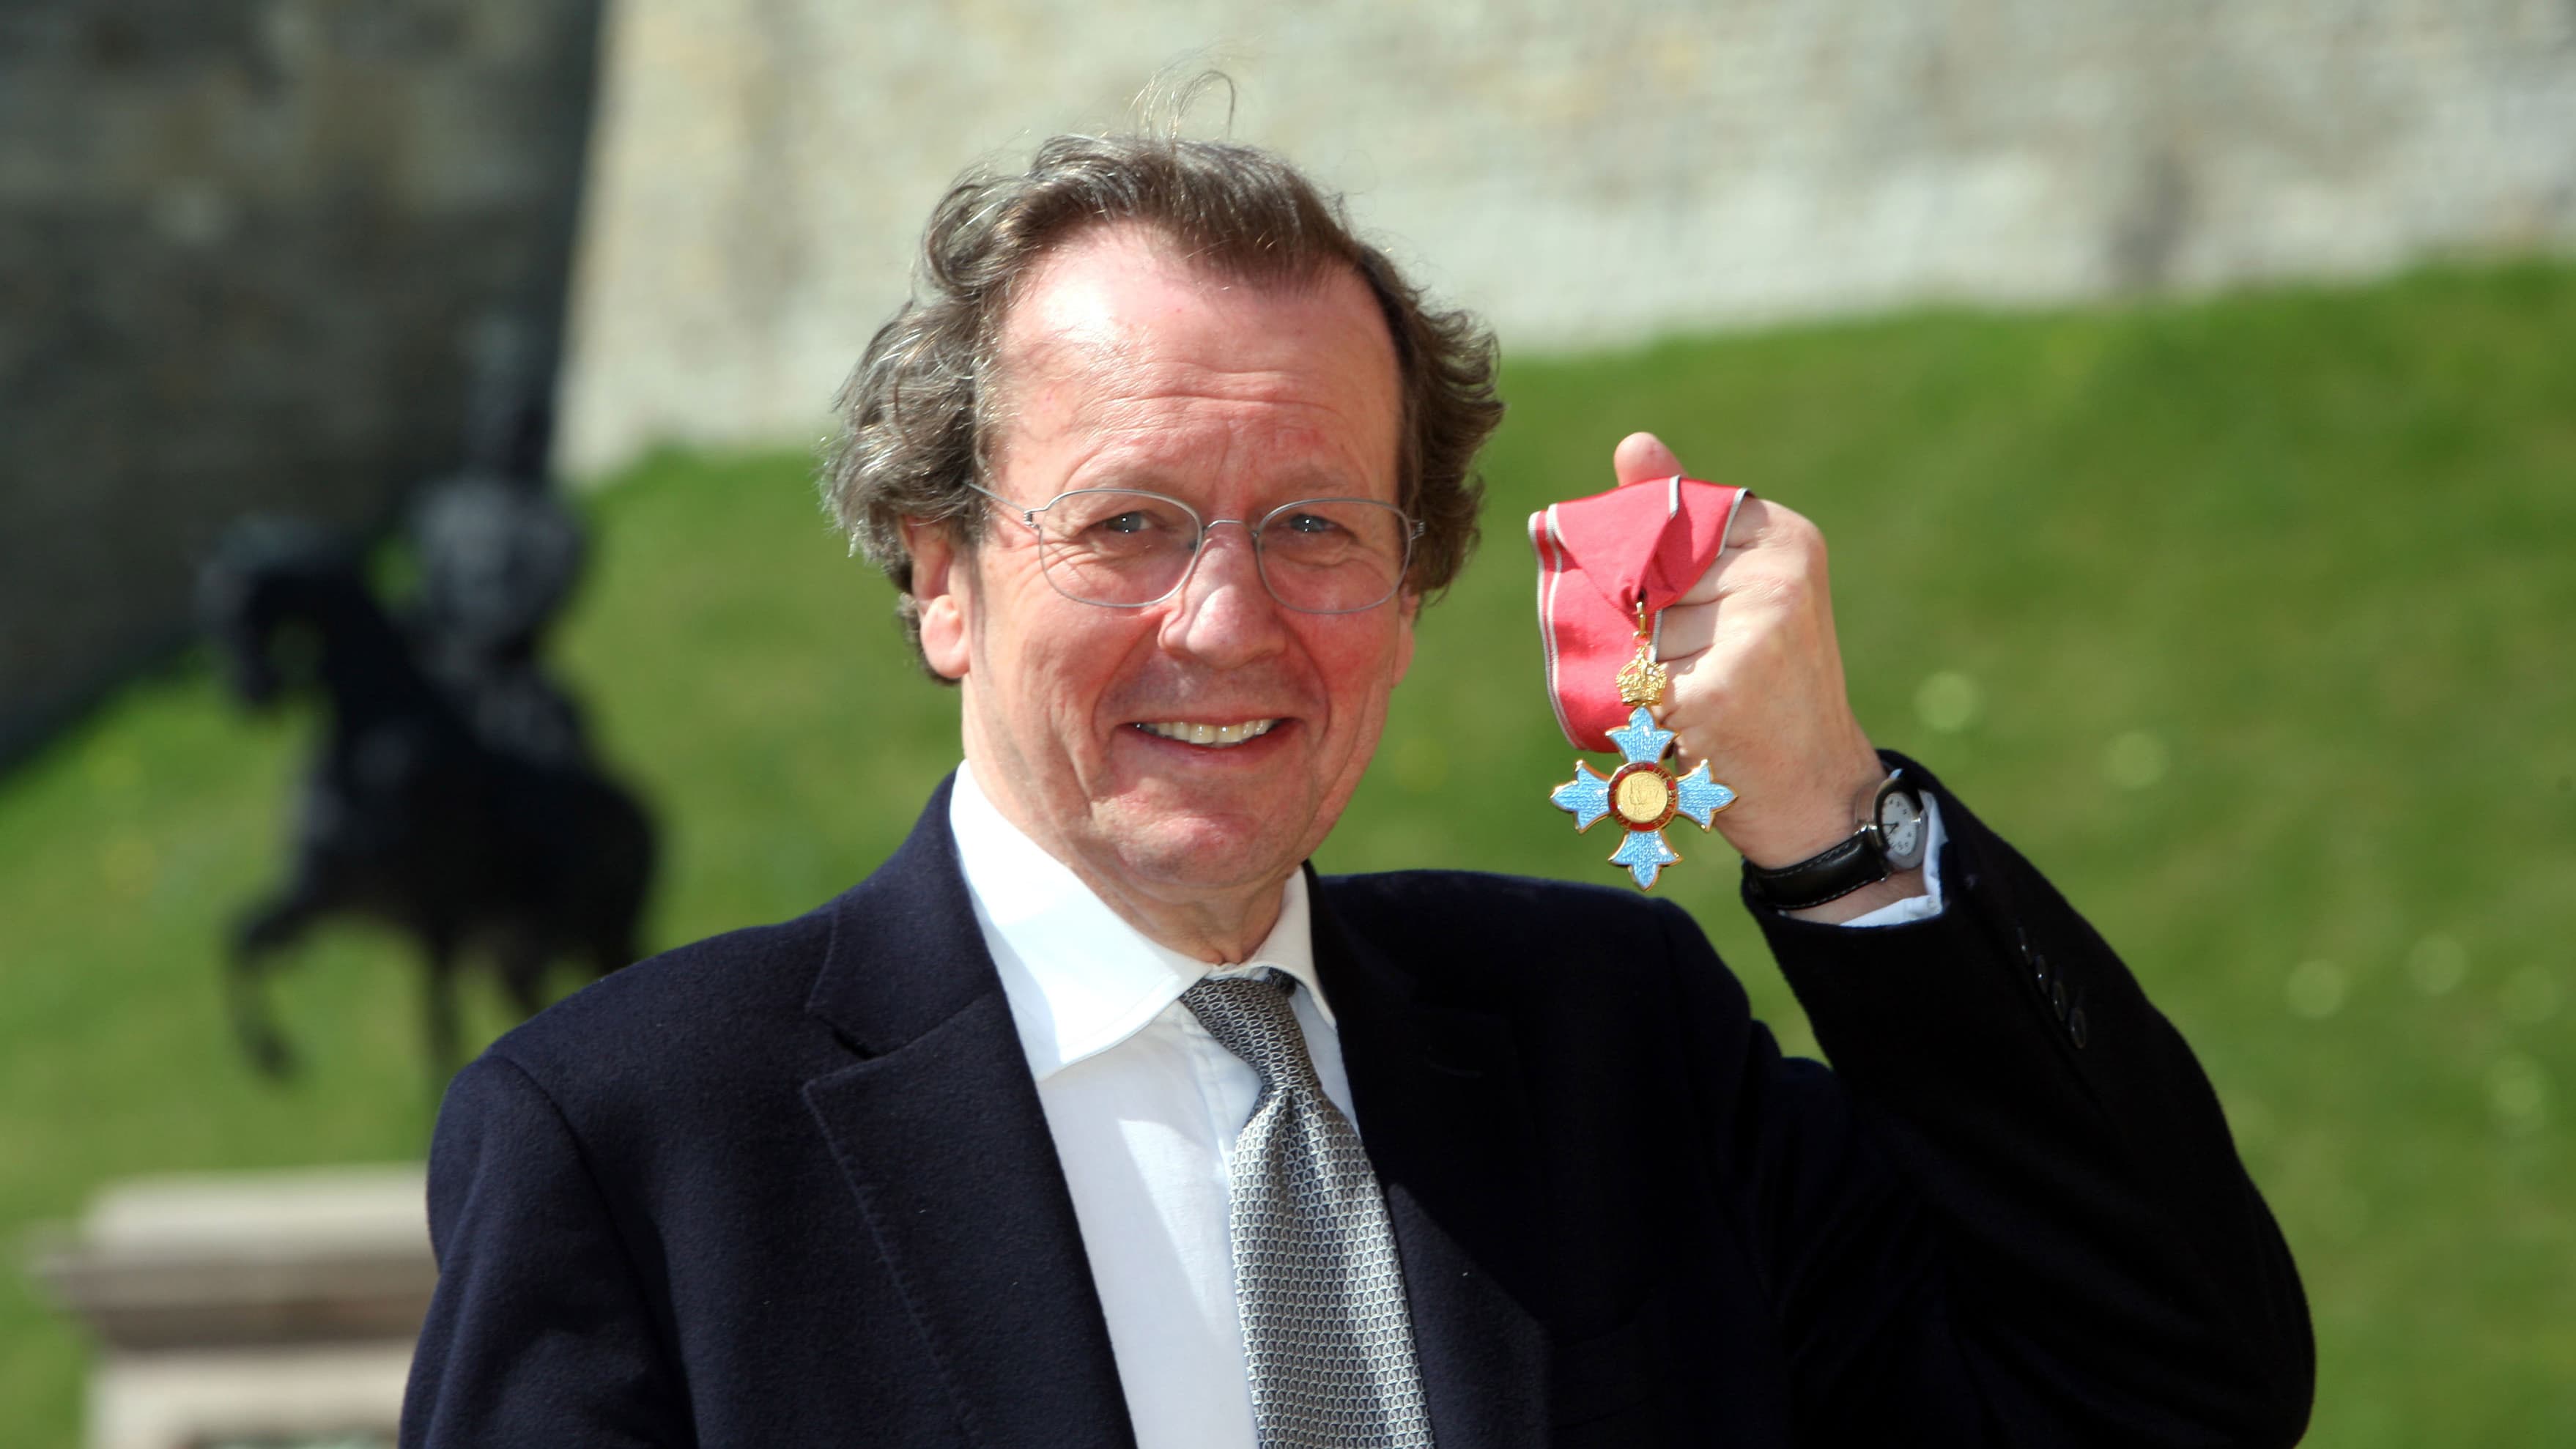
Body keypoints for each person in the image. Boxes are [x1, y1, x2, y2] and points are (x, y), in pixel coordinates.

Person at [400, 133, 2312, 1448]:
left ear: (1411, 585)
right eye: (1128, 523)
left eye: (1312, 525)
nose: (1225, 624)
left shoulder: (1609, 1047)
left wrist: (1824, 819)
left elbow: (2165, 1390)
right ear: (938, 575)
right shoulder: (638, 1141)